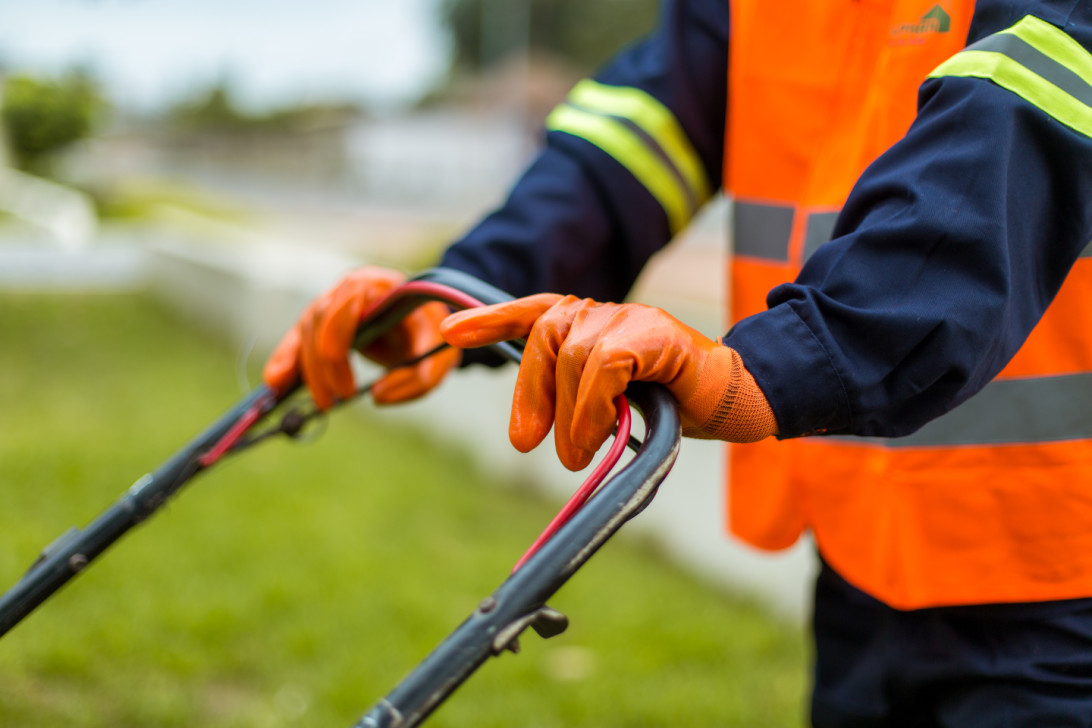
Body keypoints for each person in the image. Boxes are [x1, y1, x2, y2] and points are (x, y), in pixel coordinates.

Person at [264, 1, 1092, 724]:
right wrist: (463, 291)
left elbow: (1014, 129)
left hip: (1065, 568)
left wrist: (782, 363)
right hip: (862, 546)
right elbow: (637, 135)